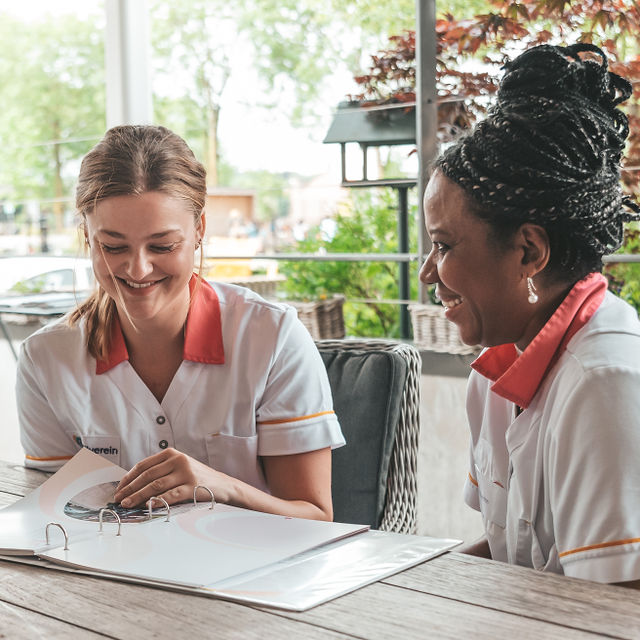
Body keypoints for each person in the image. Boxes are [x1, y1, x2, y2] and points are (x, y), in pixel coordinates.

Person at [16, 125, 344, 521]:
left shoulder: (271, 339)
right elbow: (52, 518)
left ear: (199, 230)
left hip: (249, 575)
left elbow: (315, 518)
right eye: (113, 246)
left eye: (162, 246)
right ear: (86, 235)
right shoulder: (44, 359)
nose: (138, 269)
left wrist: (222, 487)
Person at [419, 43, 640, 585]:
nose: (428, 272)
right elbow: (507, 553)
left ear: (529, 253)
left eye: (444, 246)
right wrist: (406, 588)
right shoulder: (497, 366)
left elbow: (614, 609)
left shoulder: (604, 382)